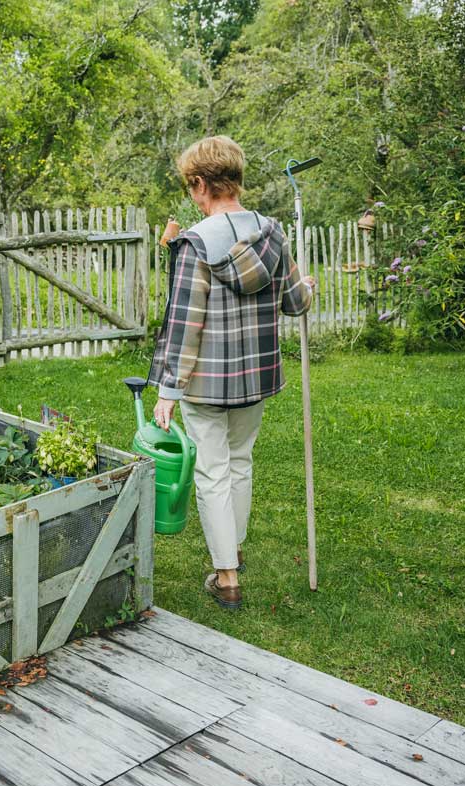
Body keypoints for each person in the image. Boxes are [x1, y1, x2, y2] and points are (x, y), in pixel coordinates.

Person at [148, 135, 314, 611]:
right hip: (255, 377)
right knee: (240, 461)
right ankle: (233, 551)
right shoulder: (273, 234)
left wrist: (168, 390)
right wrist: (308, 286)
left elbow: (185, 324)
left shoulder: (195, 243)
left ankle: (226, 577)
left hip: (205, 382)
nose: (193, 195)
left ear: (201, 184)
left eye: (191, 187)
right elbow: (294, 302)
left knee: (213, 472)